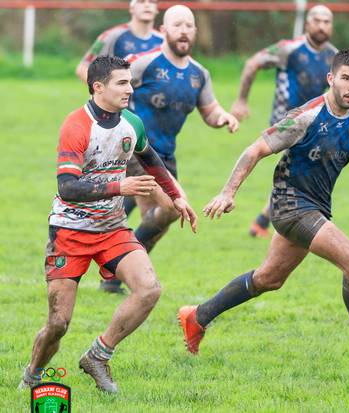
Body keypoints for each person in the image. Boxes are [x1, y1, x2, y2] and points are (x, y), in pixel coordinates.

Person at [178, 50, 349, 364]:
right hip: (289, 205)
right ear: (331, 79)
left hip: (316, 207)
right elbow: (256, 149)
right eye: (346, 78)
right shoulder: (307, 116)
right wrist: (227, 193)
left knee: (268, 279)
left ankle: (197, 317)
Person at [18, 56, 197, 393]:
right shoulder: (76, 126)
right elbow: (67, 188)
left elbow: (151, 160)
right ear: (98, 87)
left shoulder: (132, 122)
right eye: (121, 83)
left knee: (149, 289)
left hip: (112, 228)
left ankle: (97, 356)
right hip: (70, 232)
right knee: (58, 323)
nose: (130, 89)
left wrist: (177, 197)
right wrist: (120, 186)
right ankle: (33, 374)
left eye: (130, 82)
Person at [96, 5, 239, 293]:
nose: (184, 30)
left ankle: (115, 270)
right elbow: (106, 87)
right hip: (137, 151)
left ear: (195, 32)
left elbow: (209, 110)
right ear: (164, 31)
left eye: (189, 25)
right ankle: (119, 265)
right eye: (177, 25)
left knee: (159, 219)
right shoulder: (143, 63)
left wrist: (222, 116)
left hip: (166, 157)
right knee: (175, 206)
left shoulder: (200, 74)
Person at [230, 5, 338, 238]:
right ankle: (277, 223)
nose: (321, 26)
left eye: (326, 21)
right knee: (300, 179)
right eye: (317, 21)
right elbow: (252, 63)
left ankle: (263, 223)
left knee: (299, 179)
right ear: (307, 23)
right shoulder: (287, 49)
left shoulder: (334, 57)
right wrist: (241, 100)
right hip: (285, 123)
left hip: (314, 125)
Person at [75, 0, 162, 83]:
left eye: (152, 1)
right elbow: (83, 68)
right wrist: (103, 92)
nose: (147, 5)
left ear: (157, 9)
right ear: (131, 8)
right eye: (141, 1)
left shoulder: (163, 41)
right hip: (117, 97)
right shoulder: (110, 36)